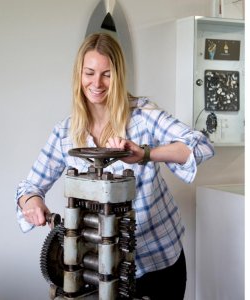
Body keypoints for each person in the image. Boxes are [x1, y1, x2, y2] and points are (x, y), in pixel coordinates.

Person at [15, 32, 214, 299]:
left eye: (106, 74)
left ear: (118, 76)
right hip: (101, 269)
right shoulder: (65, 133)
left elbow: (200, 145)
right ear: (79, 75)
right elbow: (29, 186)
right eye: (89, 73)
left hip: (158, 262)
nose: (96, 83)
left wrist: (145, 154)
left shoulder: (143, 116)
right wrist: (31, 201)